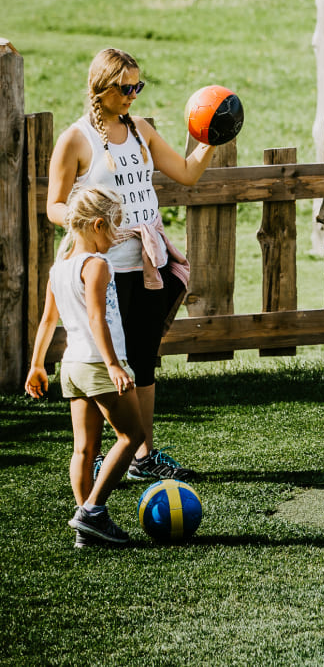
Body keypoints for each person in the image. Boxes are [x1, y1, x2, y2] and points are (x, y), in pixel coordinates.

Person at [47, 48, 215, 482]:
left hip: (145, 267)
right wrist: (88, 221)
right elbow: (54, 206)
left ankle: (143, 457)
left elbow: (186, 173)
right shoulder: (75, 139)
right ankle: (97, 455)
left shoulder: (140, 131)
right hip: (101, 270)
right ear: (99, 87)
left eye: (137, 86)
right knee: (102, 364)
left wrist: (212, 138)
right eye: (124, 87)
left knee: (142, 362)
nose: (132, 95)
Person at [26, 185, 146, 548]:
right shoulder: (96, 265)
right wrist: (113, 365)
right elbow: (97, 318)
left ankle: (87, 527)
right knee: (132, 436)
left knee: (84, 448)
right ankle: (92, 511)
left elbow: (48, 321)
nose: (117, 234)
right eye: (114, 225)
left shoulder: (59, 268)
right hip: (97, 364)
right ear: (97, 225)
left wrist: (36, 365)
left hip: (72, 366)